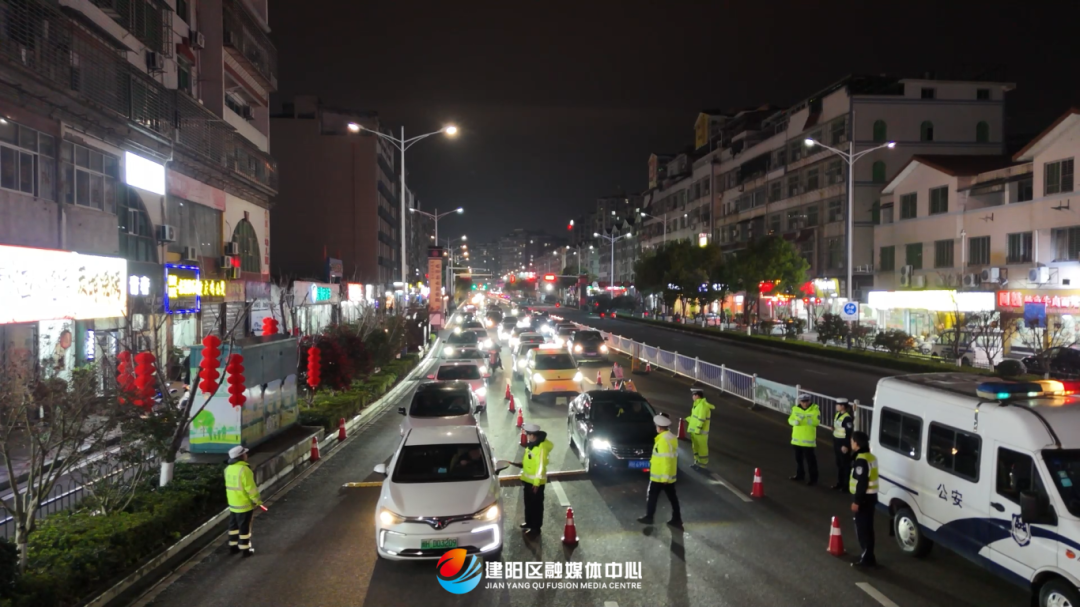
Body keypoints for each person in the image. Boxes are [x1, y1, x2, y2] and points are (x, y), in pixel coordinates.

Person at [637, 414, 683, 528]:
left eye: (656, 426)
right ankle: (677, 518)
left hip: (660, 477)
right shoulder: (670, 437)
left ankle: (649, 517)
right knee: (672, 497)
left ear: (659, 427)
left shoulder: (663, 441)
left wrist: (664, 477)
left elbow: (666, 459)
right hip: (667, 476)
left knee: (652, 496)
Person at [511, 423, 553, 537]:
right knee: (528, 503)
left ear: (533, 435)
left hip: (535, 483)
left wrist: (536, 483)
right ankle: (529, 522)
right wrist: (521, 464)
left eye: (528, 434)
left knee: (536, 506)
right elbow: (530, 461)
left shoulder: (541, 447)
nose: (527, 437)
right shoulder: (532, 444)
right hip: (528, 481)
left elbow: (540, 466)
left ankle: (536, 528)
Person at [224, 445, 262, 556]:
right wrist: (257, 501)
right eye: (245, 453)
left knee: (233, 526)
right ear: (241, 456)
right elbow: (251, 488)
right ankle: (246, 549)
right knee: (244, 527)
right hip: (244, 504)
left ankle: (233, 547)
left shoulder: (228, 469)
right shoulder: (244, 470)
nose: (246, 455)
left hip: (233, 503)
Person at [849, 431, 879, 568]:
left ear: (857, 443)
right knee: (868, 528)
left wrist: (857, 501)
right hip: (871, 497)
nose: (851, 443)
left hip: (864, 498)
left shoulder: (861, 459)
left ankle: (866, 559)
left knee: (863, 529)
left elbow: (862, 482)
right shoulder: (870, 457)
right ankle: (868, 556)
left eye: (852, 441)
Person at [788, 394, 820, 486]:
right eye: (803, 402)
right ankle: (800, 475)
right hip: (797, 440)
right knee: (799, 460)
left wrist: (807, 421)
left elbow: (817, 422)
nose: (805, 404)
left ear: (809, 401)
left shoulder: (815, 409)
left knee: (810, 461)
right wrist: (794, 422)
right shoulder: (795, 409)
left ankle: (813, 479)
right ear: (800, 402)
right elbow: (790, 420)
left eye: (806, 401)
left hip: (808, 440)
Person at [686, 388, 714, 471]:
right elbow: (694, 418)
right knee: (696, 447)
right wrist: (686, 419)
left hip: (700, 433)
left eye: (693, 395)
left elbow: (701, 419)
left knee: (702, 449)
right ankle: (697, 463)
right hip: (695, 432)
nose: (692, 397)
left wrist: (697, 429)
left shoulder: (702, 406)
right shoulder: (697, 405)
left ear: (697, 396)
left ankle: (702, 466)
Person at [831, 399, 855, 492]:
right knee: (839, 464)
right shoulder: (838, 414)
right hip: (837, 442)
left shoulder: (847, 418)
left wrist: (846, 445)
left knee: (845, 465)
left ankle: (846, 486)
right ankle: (840, 483)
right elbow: (839, 427)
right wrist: (834, 428)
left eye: (838, 405)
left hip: (843, 443)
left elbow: (848, 433)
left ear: (843, 406)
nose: (836, 406)